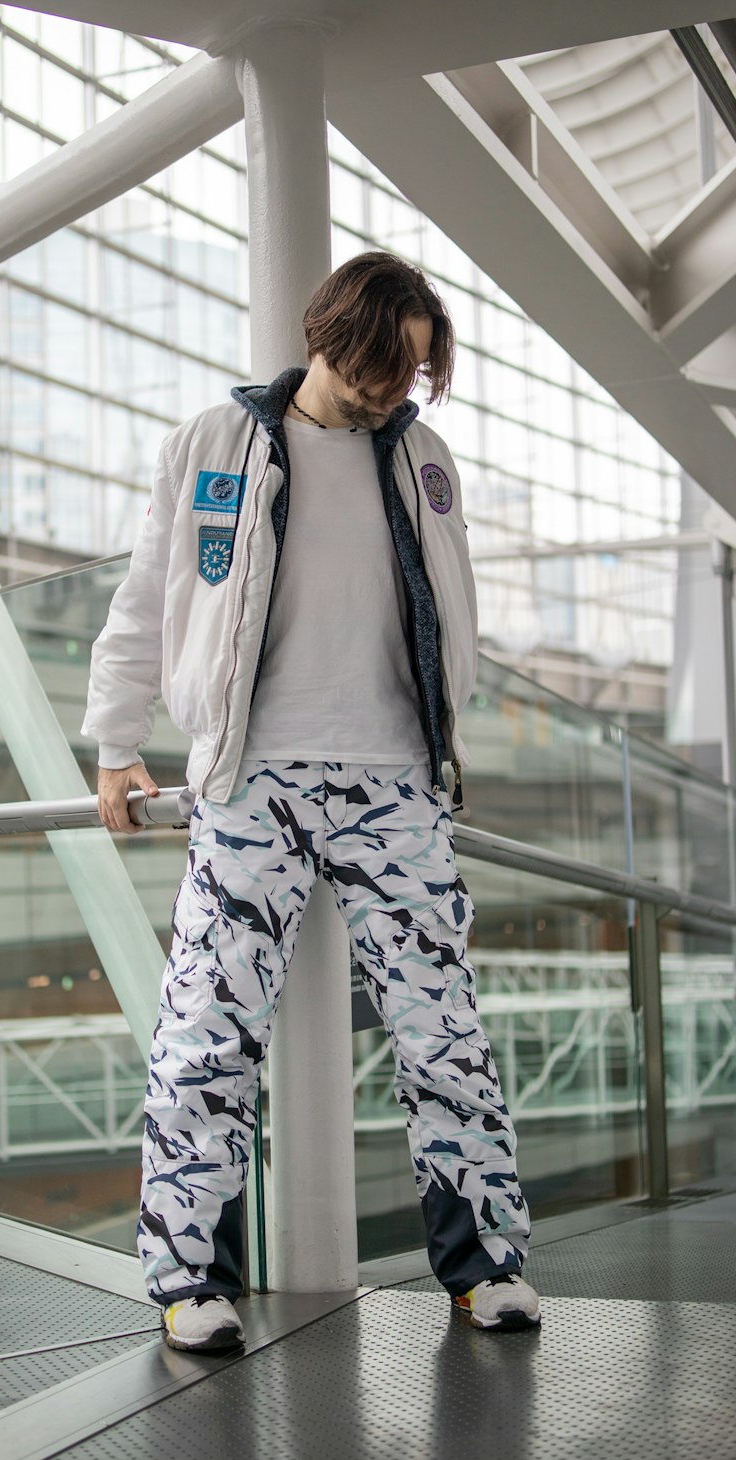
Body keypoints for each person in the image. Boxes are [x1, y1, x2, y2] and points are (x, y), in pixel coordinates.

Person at [83, 251, 540, 1352]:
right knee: (208, 1025)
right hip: (252, 777)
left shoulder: (425, 462)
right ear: (329, 332)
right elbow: (148, 597)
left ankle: (487, 1268)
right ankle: (190, 1279)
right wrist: (114, 743)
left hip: (396, 783)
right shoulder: (216, 442)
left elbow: (444, 615)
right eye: (386, 364)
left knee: (444, 1034)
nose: (397, 389)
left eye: (417, 373)